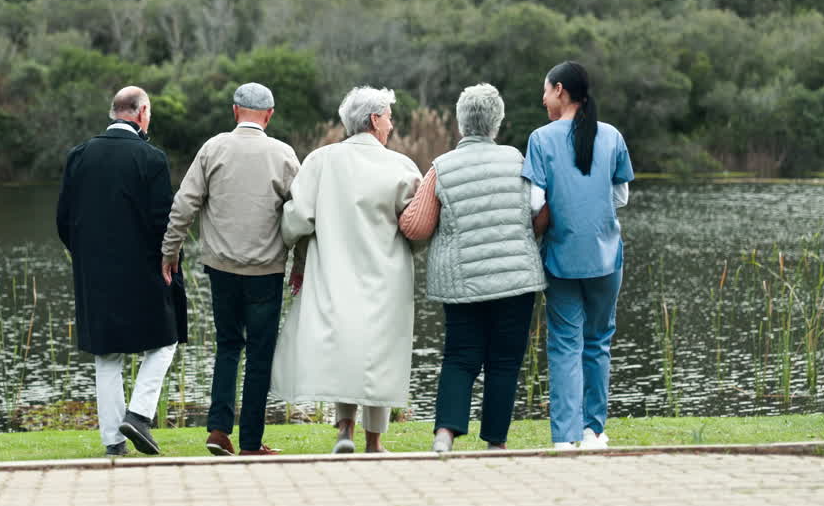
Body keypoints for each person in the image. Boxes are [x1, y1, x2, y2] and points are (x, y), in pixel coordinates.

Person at [270, 86, 423, 454]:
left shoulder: (321, 161)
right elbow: (417, 225)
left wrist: (288, 248)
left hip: (336, 270)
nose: (392, 123)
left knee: (346, 348)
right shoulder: (401, 166)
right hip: (387, 273)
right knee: (380, 353)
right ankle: (374, 441)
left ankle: (344, 431)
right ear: (374, 120)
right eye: (388, 116)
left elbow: (297, 218)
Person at [399, 83, 549, 453]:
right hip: (516, 278)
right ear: (497, 123)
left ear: (461, 124)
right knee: (505, 360)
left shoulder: (442, 167)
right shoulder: (518, 161)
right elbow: (540, 212)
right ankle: (495, 443)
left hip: (461, 280)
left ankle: (445, 434)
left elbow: (415, 226)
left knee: (460, 356)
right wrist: (526, 237)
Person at [161, 82, 305, 457]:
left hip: (221, 268)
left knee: (228, 346)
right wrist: (301, 264)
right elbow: (304, 214)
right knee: (259, 354)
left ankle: (218, 429)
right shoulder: (284, 154)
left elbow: (184, 204)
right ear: (269, 115)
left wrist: (170, 251)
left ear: (235, 110)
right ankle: (251, 443)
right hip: (266, 271)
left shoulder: (213, 149)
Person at [56, 86, 187, 457]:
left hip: (94, 273)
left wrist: (85, 257)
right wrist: (169, 260)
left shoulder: (78, 156)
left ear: (115, 112)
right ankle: (139, 415)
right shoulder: (151, 158)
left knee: (107, 355)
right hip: (144, 270)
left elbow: (64, 219)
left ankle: (114, 442)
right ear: (141, 112)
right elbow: (164, 220)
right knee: (166, 340)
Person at [522, 61, 633, 450]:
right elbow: (621, 197)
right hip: (605, 256)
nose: (543, 98)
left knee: (565, 344)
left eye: (546, 90)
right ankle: (594, 432)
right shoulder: (612, 136)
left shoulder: (540, 139)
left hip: (562, 257)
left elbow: (534, 201)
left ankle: (565, 439)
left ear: (560, 92)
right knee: (598, 340)